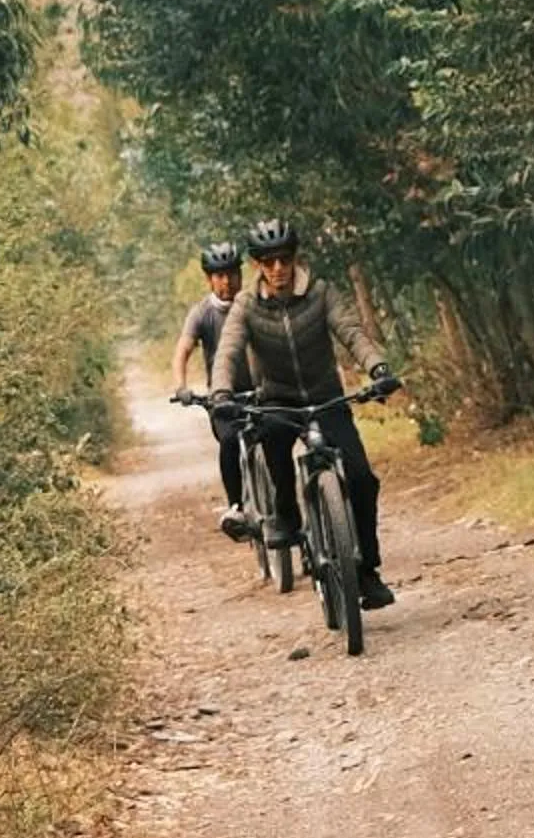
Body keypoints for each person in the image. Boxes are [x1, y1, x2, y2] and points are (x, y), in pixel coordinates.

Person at [211, 217, 402, 609]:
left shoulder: (321, 294)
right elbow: (228, 350)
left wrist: (378, 369)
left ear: (295, 258)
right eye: (268, 262)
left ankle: (367, 572)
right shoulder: (247, 305)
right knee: (274, 445)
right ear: (257, 266)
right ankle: (286, 519)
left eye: (283, 259)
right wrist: (221, 392)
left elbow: (352, 332)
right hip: (278, 399)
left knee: (363, 479)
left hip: (325, 397)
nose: (278, 269)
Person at [169, 240, 249, 535]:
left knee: (276, 446)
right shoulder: (202, 313)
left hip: (260, 393)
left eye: (231, 274)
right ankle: (237, 507)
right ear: (209, 279)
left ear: (240, 274)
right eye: (219, 275)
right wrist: (181, 386)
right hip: (222, 398)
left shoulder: (254, 303)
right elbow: (182, 351)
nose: (226, 282)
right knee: (229, 441)